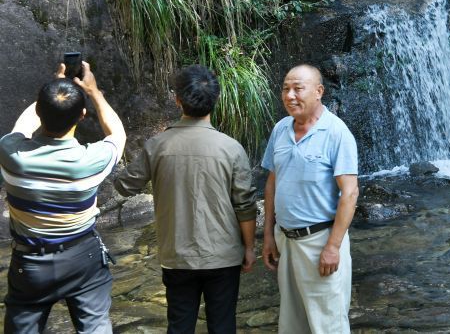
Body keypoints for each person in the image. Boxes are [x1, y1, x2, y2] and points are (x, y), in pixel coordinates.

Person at [114, 65, 257, 334]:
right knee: (223, 324)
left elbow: (124, 186)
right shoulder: (231, 148)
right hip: (223, 256)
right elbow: (245, 206)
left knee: (179, 325)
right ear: (216, 100)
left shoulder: (158, 145)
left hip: (177, 255)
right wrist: (249, 249)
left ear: (177, 99)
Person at [0, 61, 126, 333]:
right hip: (83, 258)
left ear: (39, 110)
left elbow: (22, 127)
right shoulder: (90, 161)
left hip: (30, 264)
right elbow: (118, 134)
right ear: (82, 115)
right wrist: (94, 91)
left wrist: (54, 88)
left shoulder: (11, 155)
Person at [262, 65, 359, 333]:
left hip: (320, 242)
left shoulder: (337, 133)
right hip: (286, 241)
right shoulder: (280, 129)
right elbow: (272, 183)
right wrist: (268, 234)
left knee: (327, 324)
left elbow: (350, 192)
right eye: (285, 89)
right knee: (293, 322)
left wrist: (333, 247)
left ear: (319, 92)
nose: (289, 95)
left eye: (297, 88)